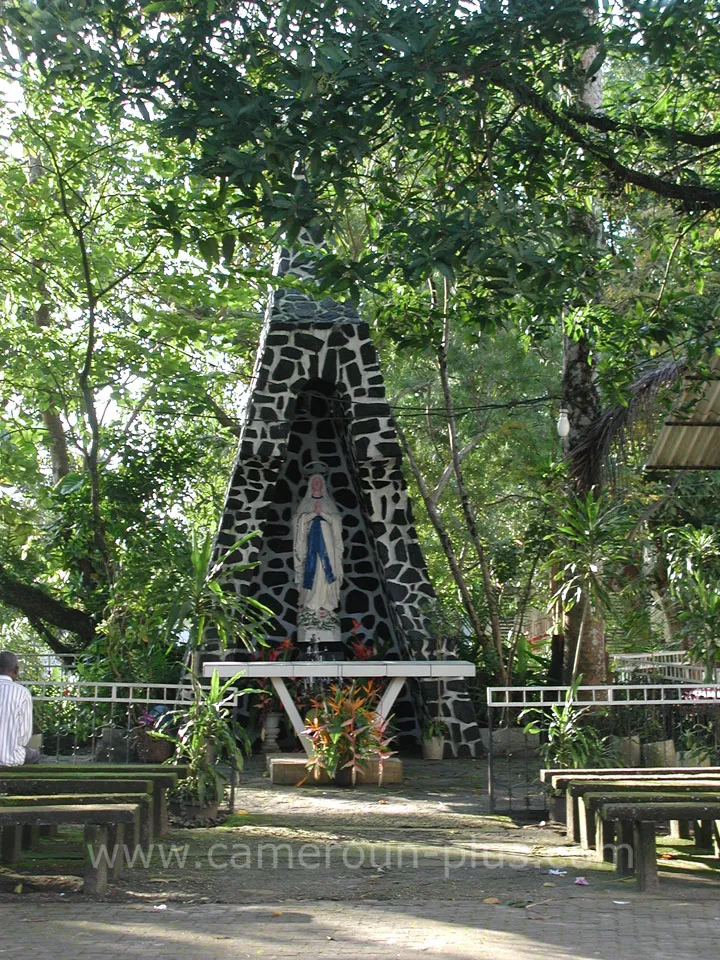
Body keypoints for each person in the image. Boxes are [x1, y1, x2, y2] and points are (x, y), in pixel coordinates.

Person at [292, 473, 344, 614]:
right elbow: (297, 521)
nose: (317, 483)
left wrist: (323, 514)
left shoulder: (328, 503)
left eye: (319, 480)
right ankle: (309, 601)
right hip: (310, 542)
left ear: (323, 484)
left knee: (326, 567)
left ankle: (326, 602)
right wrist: (313, 514)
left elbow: (337, 521)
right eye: (314, 480)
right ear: (310, 484)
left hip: (328, 542)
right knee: (311, 567)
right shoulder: (306, 503)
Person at [0, 651, 40, 766]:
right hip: (9, 758)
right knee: (34, 755)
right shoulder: (22, 692)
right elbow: (24, 736)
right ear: (16, 670)